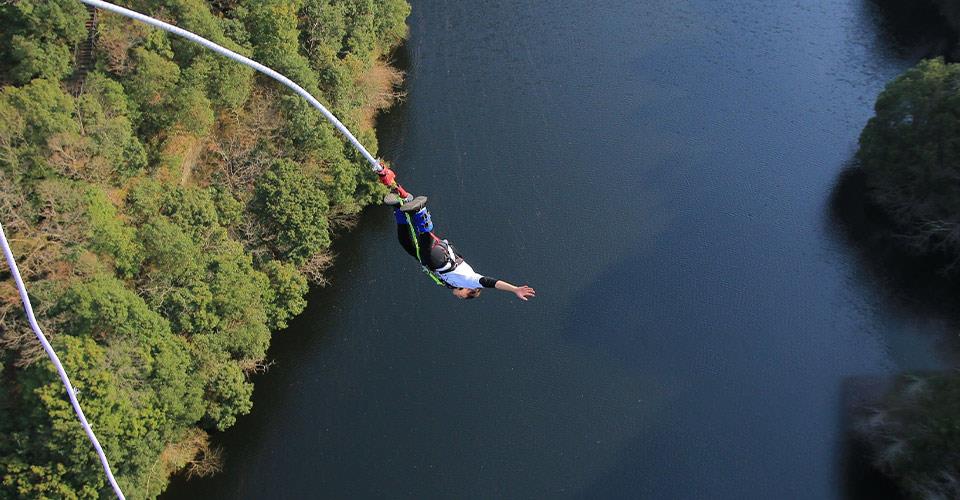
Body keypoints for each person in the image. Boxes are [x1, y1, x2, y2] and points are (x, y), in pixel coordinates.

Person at [385, 193, 536, 301]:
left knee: (407, 245)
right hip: (439, 258)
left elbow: (458, 256)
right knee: (426, 256)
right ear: (469, 290)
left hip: (440, 255)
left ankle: (398, 208)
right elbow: (491, 282)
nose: (460, 297)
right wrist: (515, 289)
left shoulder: (452, 285)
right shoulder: (470, 281)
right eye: (463, 297)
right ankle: (420, 211)